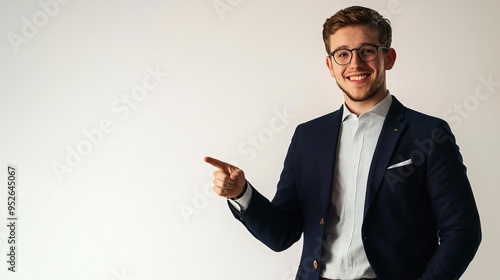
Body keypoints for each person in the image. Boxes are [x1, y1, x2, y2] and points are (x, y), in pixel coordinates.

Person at [204, 6, 481, 280]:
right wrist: (241, 193)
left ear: (389, 57)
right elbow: (281, 234)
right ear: (330, 65)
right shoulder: (308, 137)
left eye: (367, 51)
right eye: (343, 54)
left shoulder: (429, 134)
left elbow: (462, 231)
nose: (355, 64)